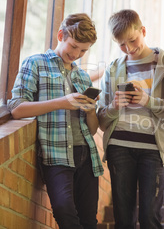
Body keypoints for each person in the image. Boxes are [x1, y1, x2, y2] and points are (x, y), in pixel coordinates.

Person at [7, 13, 103, 229]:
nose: (77, 54)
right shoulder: (35, 63)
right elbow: (16, 109)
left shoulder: (83, 77)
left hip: (86, 156)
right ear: (61, 35)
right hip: (55, 154)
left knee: (89, 221)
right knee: (63, 211)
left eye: (84, 50)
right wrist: (62, 102)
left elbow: (94, 128)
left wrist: (90, 111)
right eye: (74, 46)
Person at [97, 9, 164, 229]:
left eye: (132, 40)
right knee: (123, 219)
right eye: (122, 44)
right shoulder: (113, 68)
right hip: (119, 147)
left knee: (150, 217)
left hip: (154, 148)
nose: (129, 48)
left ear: (143, 30)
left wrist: (147, 100)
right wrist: (114, 106)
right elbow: (101, 122)